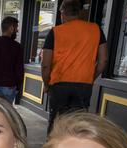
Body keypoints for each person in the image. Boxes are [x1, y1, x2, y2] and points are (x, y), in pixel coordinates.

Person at [41, 0, 107, 133]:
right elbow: (103, 61)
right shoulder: (95, 30)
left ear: (62, 13)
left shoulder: (56, 32)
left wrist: (46, 84)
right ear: (79, 13)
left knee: (56, 121)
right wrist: (91, 78)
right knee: (78, 123)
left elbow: (45, 64)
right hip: (83, 84)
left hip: (59, 83)